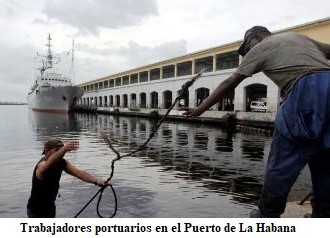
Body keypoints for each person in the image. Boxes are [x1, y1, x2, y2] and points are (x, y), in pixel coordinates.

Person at [181, 26, 330, 217]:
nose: (247, 53)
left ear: (257, 37)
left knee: (282, 162)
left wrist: (199, 109)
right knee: (326, 162)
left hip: (304, 91)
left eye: (246, 47)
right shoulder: (299, 38)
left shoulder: (262, 47)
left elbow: (230, 82)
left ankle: (267, 215)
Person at [27, 138, 108, 218]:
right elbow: (47, 166)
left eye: (61, 150)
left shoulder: (61, 162)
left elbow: (79, 173)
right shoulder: (41, 165)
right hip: (36, 211)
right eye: (57, 150)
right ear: (47, 150)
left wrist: (97, 181)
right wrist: (64, 149)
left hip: (50, 208)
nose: (61, 153)